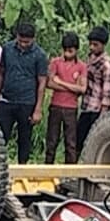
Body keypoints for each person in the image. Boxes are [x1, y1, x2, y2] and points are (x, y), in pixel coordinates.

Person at [0, 22, 49, 163]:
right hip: (6, 100)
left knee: (24, 139)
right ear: (16, 36)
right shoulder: (7, 49)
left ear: (33, 39)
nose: (23, 44)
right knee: (0, 137)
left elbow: (42, 82)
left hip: (27, 102)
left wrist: (38, 109)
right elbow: (1, 73)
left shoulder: (40, 55)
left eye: (27, 42)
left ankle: (22, 168)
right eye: (21, 41)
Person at [70, 26, 110, 158]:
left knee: (93, 139)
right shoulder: (89, 59)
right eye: (90, 44)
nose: (92, 47)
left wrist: (104, 110)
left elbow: (107, 88)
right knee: (79, 137)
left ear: (103, 45)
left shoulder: (105, 64)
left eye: (95, 45)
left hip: (96, 107)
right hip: (86, 105)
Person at [45, 33, 88, 163]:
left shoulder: (82, 66)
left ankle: (70, 175)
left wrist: (61, 82)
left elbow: (82, 89)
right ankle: (47, 169)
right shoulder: (55, 62)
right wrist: (72, 88)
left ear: (76, 50)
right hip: (56, 106)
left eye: (70, 51)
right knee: (51, 141)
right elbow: (50, 83)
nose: (67, 54)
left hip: (71, 108)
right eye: (65, 50)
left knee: (71, 143)